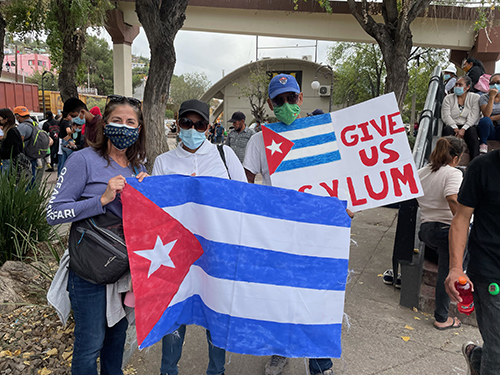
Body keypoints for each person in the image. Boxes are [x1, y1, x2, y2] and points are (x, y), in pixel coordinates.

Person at [46, 95, 148, 375]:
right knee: (90, 346)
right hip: (88, 272)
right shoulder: (83, 160)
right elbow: (53, 214)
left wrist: (151, 196)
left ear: (138, 130)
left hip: (123, 273)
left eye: (131, 122)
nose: (124, 127)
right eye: (117, 121)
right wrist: (101, 199)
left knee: (115, 343)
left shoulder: (138, 168)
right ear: (105, 124)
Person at [243, 73, 336, 375]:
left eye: (290, 98)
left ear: (301, 99)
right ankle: (279, 351)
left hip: (314, 231)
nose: (285, 104)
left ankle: (319, 364)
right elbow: (248, 186)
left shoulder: (319, 134)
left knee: (314, 296)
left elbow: (339, 178)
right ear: (270, 104)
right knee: (279, 296)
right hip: (277, 234)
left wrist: (345, 208)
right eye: (279, 100)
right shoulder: (259, 141)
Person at [152, 99, 246, 375]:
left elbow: (245, 202)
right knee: (174, 317)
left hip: (215, 254)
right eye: (186, 123)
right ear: (177, 122)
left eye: (199, 124)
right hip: (175, 255)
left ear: (208, 127)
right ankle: (168, 370)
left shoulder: (225, 157)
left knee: (215, 316)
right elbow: (155, 212)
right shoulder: (163, 162)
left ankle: (216, 371)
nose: (192, 129)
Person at [444, 143, 500, 375]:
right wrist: (456, 267)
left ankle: (477, 358)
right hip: (490, 272)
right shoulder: (482, 167)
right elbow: (461, 218)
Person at [417, 136, 465, 330]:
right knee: (447, 272)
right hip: (446, 230)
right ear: (455, 158)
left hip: (426, 230)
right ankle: (442, 317)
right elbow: (452, 197)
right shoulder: (453, 173)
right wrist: (461, 223)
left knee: (444, 265)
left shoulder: (421, 172)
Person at [441, 76, 481, 160]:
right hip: (453, 125)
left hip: (468, 126)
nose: (457, 87)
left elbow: (474, 115)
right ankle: (447, 160)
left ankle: (475, 161)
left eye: (460, 84)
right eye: (456, 84)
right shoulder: (448, 98)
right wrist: (455, 128)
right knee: (447, 130)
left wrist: (464, 129)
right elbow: (446, 115)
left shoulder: (475, 98)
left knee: (472, 132)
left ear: (467, 87)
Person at [57, 98, 87, 175]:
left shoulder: (62, 122)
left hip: (64, 143)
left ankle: (60, 175)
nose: (73, 119)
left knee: (63, 162)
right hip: (69, 144)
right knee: (70, 162)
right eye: (72, 116)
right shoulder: (67, 123)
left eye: (74, 116)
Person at [14, 106, 40, 185]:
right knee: (32, 176)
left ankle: (30, 194)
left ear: (17, 116)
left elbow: (18, 142)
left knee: (27, 179)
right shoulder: (34, 123)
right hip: (33, 154)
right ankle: (34, 194)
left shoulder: (22, 127)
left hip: (26, 156)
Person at [477, 73, 500, 154]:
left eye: (498, 82)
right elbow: (486, 114)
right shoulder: (484, 97)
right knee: (485, 120)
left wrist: (492, 118)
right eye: (492, 83)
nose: (495, 85)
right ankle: (483, 145)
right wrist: (492, 97)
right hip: (489, 129)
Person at [0, 108, 23, 176]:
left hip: (10, 162)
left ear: (6, 119)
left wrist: (1, 151)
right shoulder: (11, 130)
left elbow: (14, 149)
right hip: (9, 161)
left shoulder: (11, 132)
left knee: (7, 183)